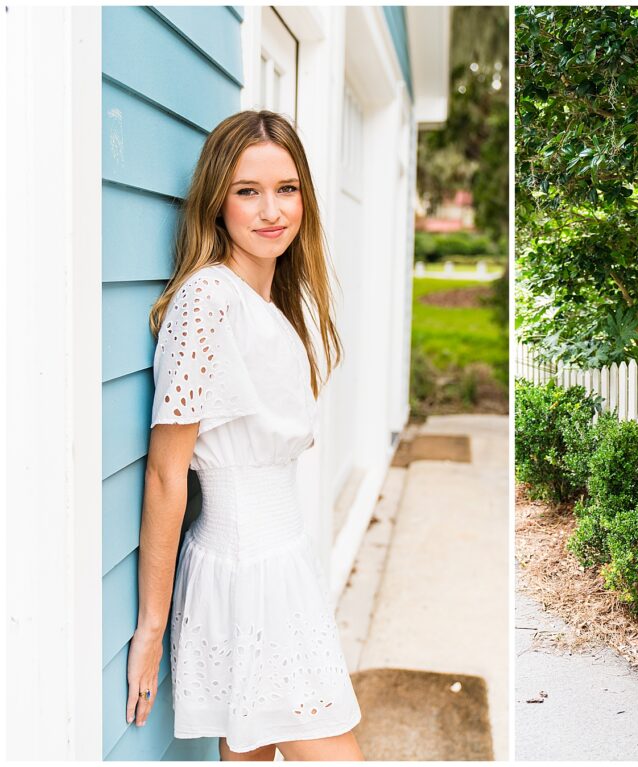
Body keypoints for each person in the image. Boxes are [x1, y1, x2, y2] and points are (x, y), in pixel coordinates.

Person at [125, 110, 363, 761]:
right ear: (217, 202)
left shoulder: (268, 303)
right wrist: (151, 626)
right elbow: (167, 472)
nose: (271, 210)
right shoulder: (208, 300)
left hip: (281, 563)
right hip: (244, 569)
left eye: (286, 188)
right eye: (247, 190)